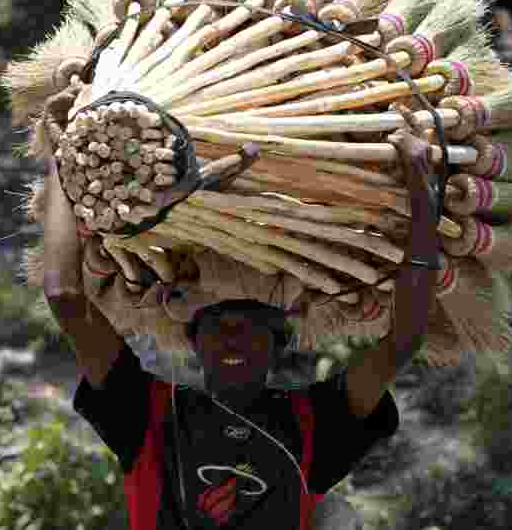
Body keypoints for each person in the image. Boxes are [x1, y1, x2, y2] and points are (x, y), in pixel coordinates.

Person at [43, 130, 442, 529]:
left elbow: (402, 343)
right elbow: (403, 340)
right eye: (217, 325)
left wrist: (61, 160)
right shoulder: (149, 414)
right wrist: (62, 160)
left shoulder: (315, 422)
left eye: (250, 327)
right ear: (194, 343)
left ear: (277, 345)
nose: (232, 337)